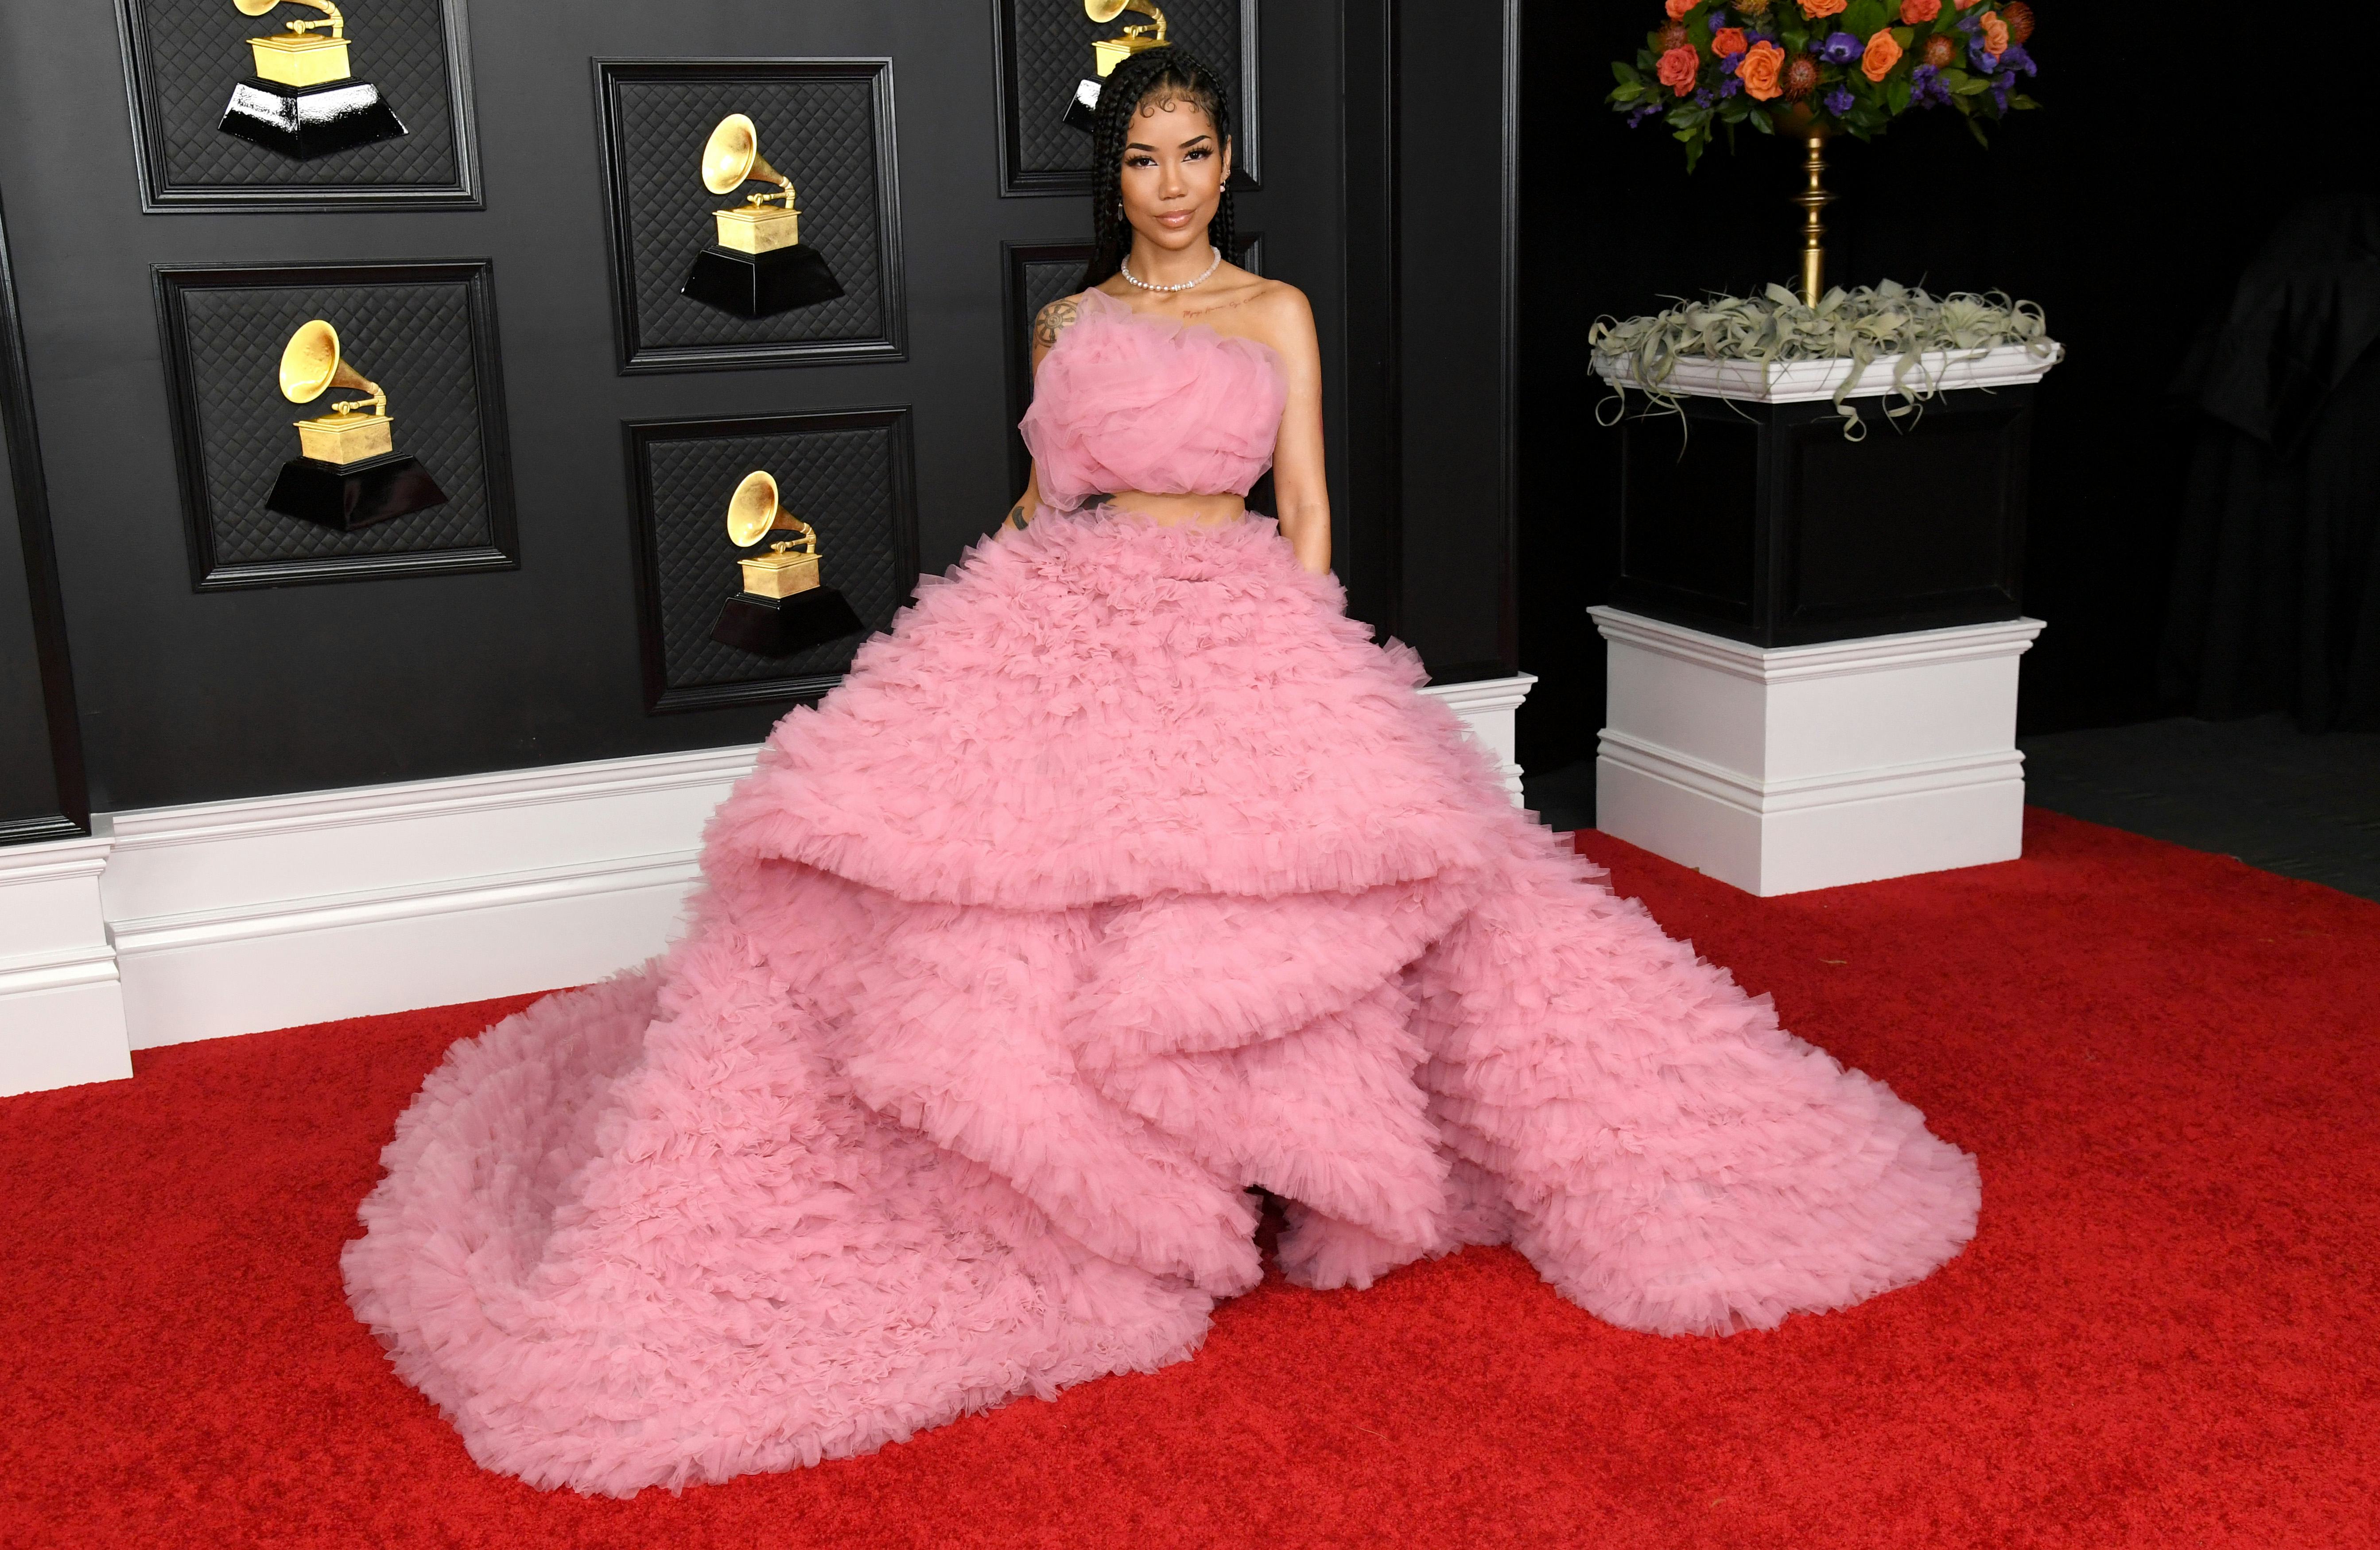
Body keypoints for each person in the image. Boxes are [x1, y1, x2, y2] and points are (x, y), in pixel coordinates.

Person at [342, 49, 1980, 1498]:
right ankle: (1094, 1187)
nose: (1174, 185)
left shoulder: (1278, 312)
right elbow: (1036, 501)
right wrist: (940, 649)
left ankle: (1276, 1150)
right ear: (1112, 176)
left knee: (1312, 890)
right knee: (1018, 901)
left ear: (1224, 169)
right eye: (1145, 157)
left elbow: (1315, 508)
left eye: (1197, 154)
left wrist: (1313, 651)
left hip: (1241, 611)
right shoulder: (1071, 319)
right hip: (1070, 612)